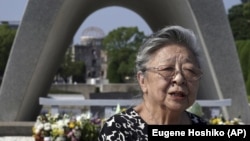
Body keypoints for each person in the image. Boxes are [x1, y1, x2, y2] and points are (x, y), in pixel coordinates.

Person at [98, 25, 208, 141]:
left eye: (189, 71)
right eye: (167, 69)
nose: (179, 78)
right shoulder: (119, 129)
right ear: (143, 80)